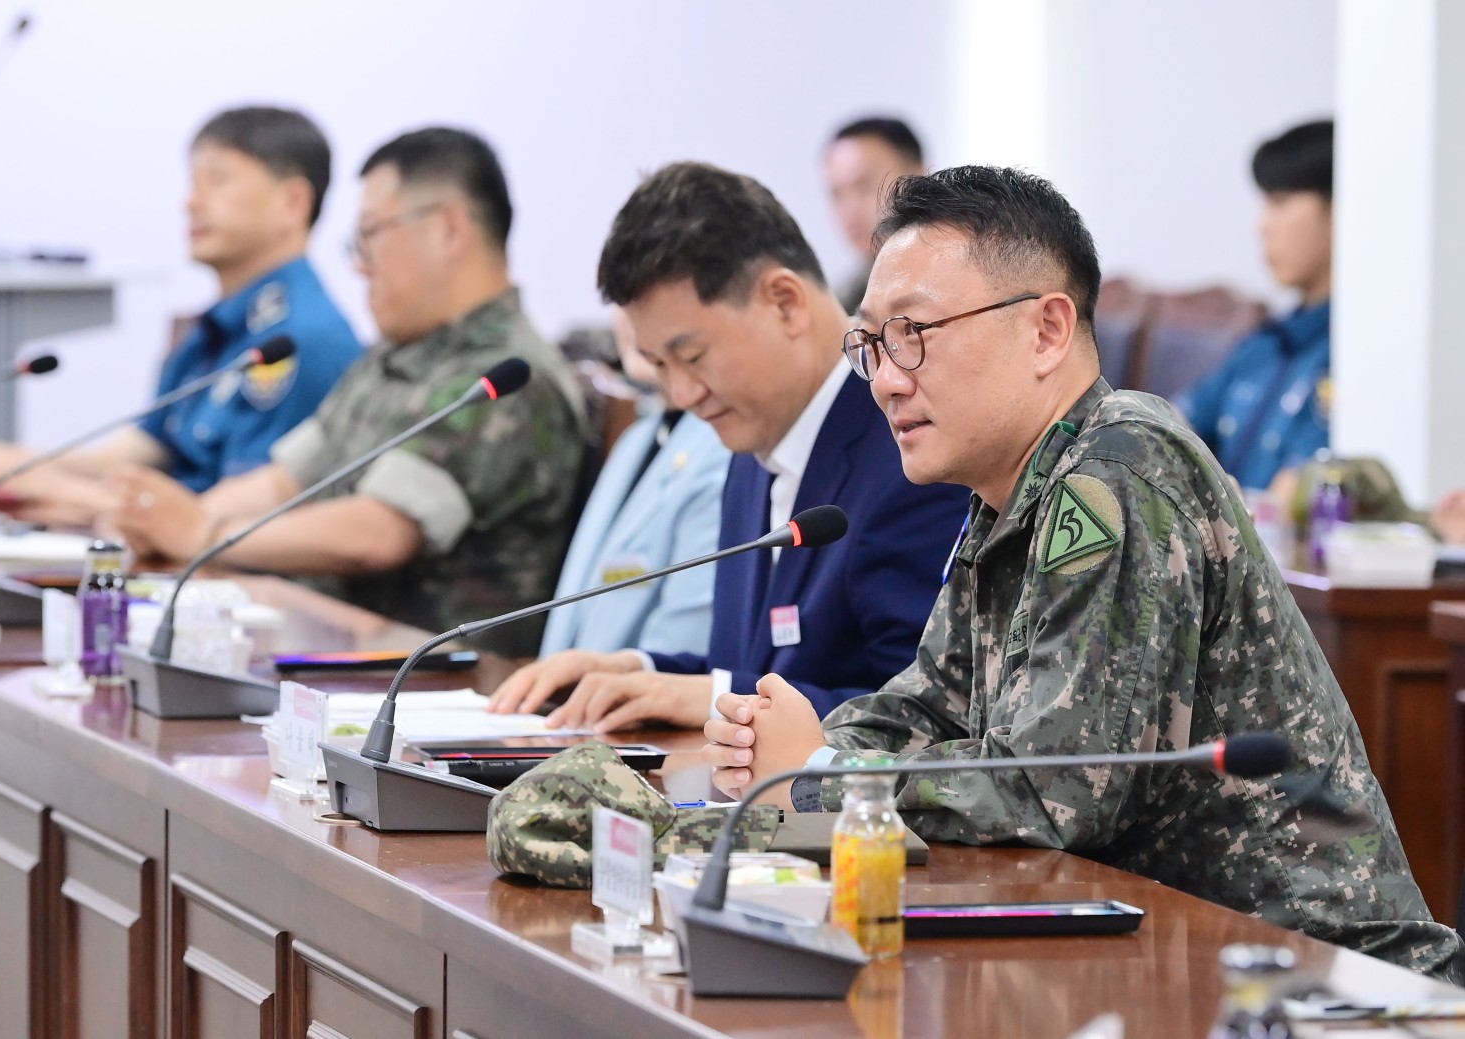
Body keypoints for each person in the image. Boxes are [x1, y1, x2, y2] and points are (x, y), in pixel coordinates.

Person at [703, 165, 1465, 981]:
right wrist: (787, 748)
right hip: (1180, 962)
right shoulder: (1011, 492)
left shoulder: (1120, 467)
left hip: (1328, 985)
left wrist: (824, 776)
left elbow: (1053, 791)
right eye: (873, 345)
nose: (888, 377)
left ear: (1046, 330)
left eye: (914, 332)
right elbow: (930, 707)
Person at [486, 162, 970, 732]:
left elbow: (931, 716)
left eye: (692, 357)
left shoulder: (907, 446)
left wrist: (721, 697)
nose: (683, 394)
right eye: (659, 365)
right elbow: (762, 667)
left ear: (785, 302)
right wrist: (636, 670)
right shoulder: (751, 440)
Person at [109, 127, 586, 657]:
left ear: (448, 229)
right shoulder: (394, 355)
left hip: (428, 680)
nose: (360, 263)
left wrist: (204, 533)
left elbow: (377, 533)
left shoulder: (503, 377)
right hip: (329, 652)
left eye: (370, 234)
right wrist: (170, 520)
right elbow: (285, 481)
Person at [0, 106, 363, 524]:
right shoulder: (215, 327)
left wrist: (48, 491)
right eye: (192, 183)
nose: (191, 202)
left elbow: (232, 516)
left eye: (218, 181)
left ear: (292, 202)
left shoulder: (302, 338)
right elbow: (139, 453)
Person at [537, 310, 730, 657]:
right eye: (620, 301)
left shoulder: (728, 443)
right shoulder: (638, 437)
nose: (630, 319)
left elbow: (684, 646)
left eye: (643, 300)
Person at [1174, 119, 1334, 492]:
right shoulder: (1265, 344)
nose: (1262, 225)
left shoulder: (1354, 355)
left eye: (1280, 203)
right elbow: (1175, 424)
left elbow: (1296, 499)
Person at [824, 116, 927, 314]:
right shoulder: (840, 308)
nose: (850, 208)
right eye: (837, 194)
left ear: (917, 179)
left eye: (864, 185)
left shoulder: (971, 267)